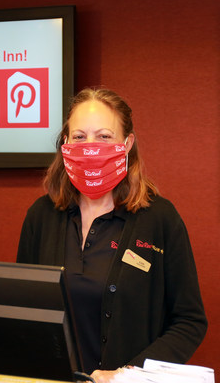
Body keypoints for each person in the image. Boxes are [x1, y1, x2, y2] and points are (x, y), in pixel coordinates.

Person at [16, 88, 207, 383]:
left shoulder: (159, 219)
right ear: (65, 143)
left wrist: (125, 375)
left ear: (127, 143)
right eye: (79, 137)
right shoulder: (41, 216)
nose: (90, 147)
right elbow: (22, 310)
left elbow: (189, 322)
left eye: (104, 136)